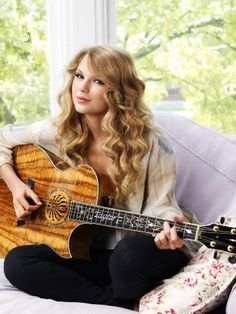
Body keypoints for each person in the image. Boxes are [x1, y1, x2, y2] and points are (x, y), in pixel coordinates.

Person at [0, 45, 189, 310]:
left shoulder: (150, 143)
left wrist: (171, 228)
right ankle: (117, 303)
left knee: (127, 255)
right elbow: (2, 139)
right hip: (89, 252)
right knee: (18, 262)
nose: (82, 88)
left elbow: (161, 206)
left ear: (120, 91)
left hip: (136, 250)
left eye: (97, 81)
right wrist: (16, 186)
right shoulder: (60, 131)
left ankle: (115, 294)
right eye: (79, 76)